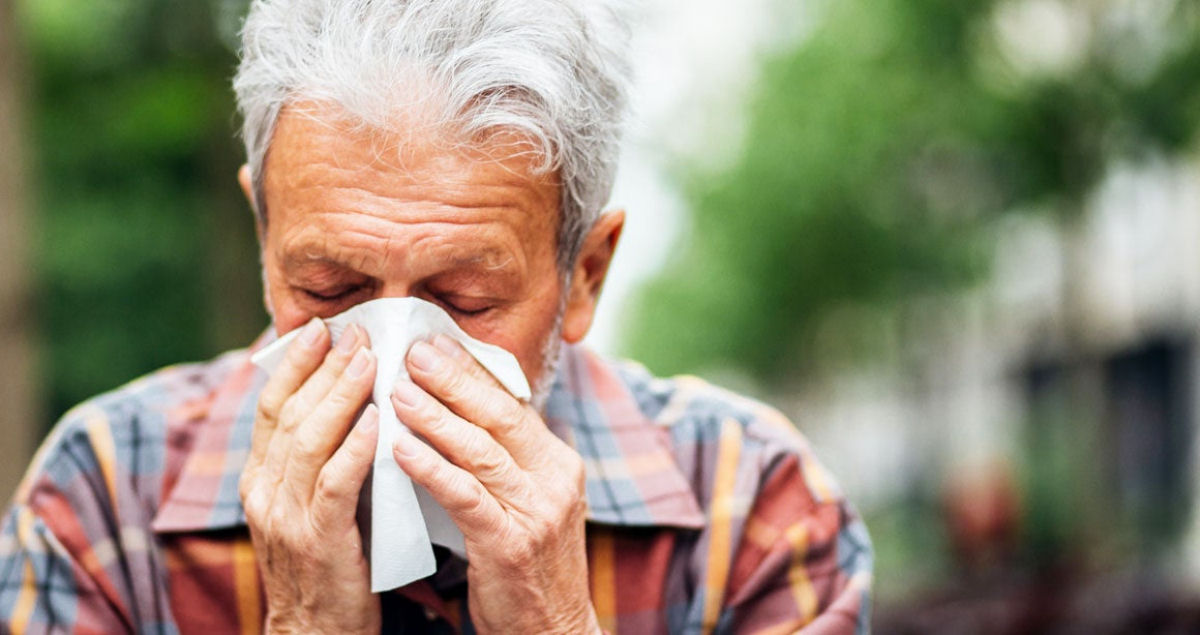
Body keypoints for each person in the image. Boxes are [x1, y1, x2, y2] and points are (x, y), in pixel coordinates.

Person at [0, 0, 872, 632]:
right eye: (329, 287)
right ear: (263, 238)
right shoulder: (102, 503)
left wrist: (554, 624)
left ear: (584, 276)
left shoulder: (753, 512)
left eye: (465, 300)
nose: (394, 356)